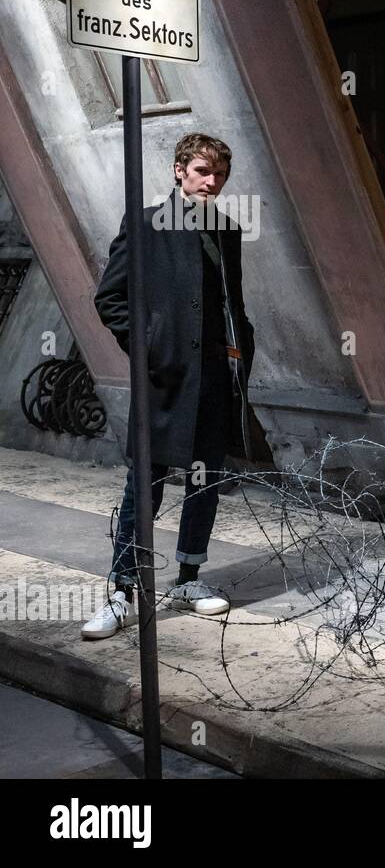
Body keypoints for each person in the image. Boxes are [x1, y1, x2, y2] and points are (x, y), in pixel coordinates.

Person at [82, 133, 256, 640]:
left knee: (206, 481)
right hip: (164, 378)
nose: (212, 181)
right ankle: (122, 590)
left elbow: (231, 302)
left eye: (220, 174)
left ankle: (188, 578)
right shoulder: (146, 222)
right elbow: (110, 298)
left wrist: (241, 351)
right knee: (145, 485)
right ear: (179, 170)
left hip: (214, 380)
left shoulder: (225, 229)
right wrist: (151, 349)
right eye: (203, 170)